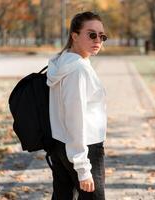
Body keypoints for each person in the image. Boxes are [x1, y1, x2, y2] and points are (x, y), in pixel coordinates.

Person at [46, 11, 108, 200]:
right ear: (74, 36)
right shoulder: (78, 70)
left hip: (60, 144)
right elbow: (75, 118)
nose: (98, 39)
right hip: (83, 148)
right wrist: (83, 168)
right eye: (91, 34)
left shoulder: (63, 61)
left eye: (101, 36)